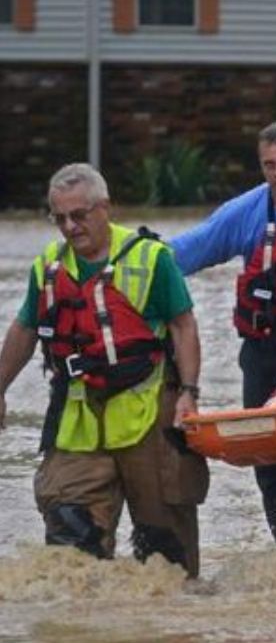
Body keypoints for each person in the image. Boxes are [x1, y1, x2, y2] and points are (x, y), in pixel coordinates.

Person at [0, 164, 208, 577]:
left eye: (79, 215)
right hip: (79, 416)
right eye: (59, 218)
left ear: (104, 208)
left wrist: (189, 392)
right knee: (70, 557)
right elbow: (25, 327)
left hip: (147, 413)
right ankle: (83, 637)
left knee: (166, 562)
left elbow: (184, 325)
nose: (70, 227)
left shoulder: (152, 259)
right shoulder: (48, 268)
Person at [170, 121, 276, 548]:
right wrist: (126, 262)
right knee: (270, 459)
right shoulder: (244, 213)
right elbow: (179, 256)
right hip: (263, 353)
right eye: (269, 165)